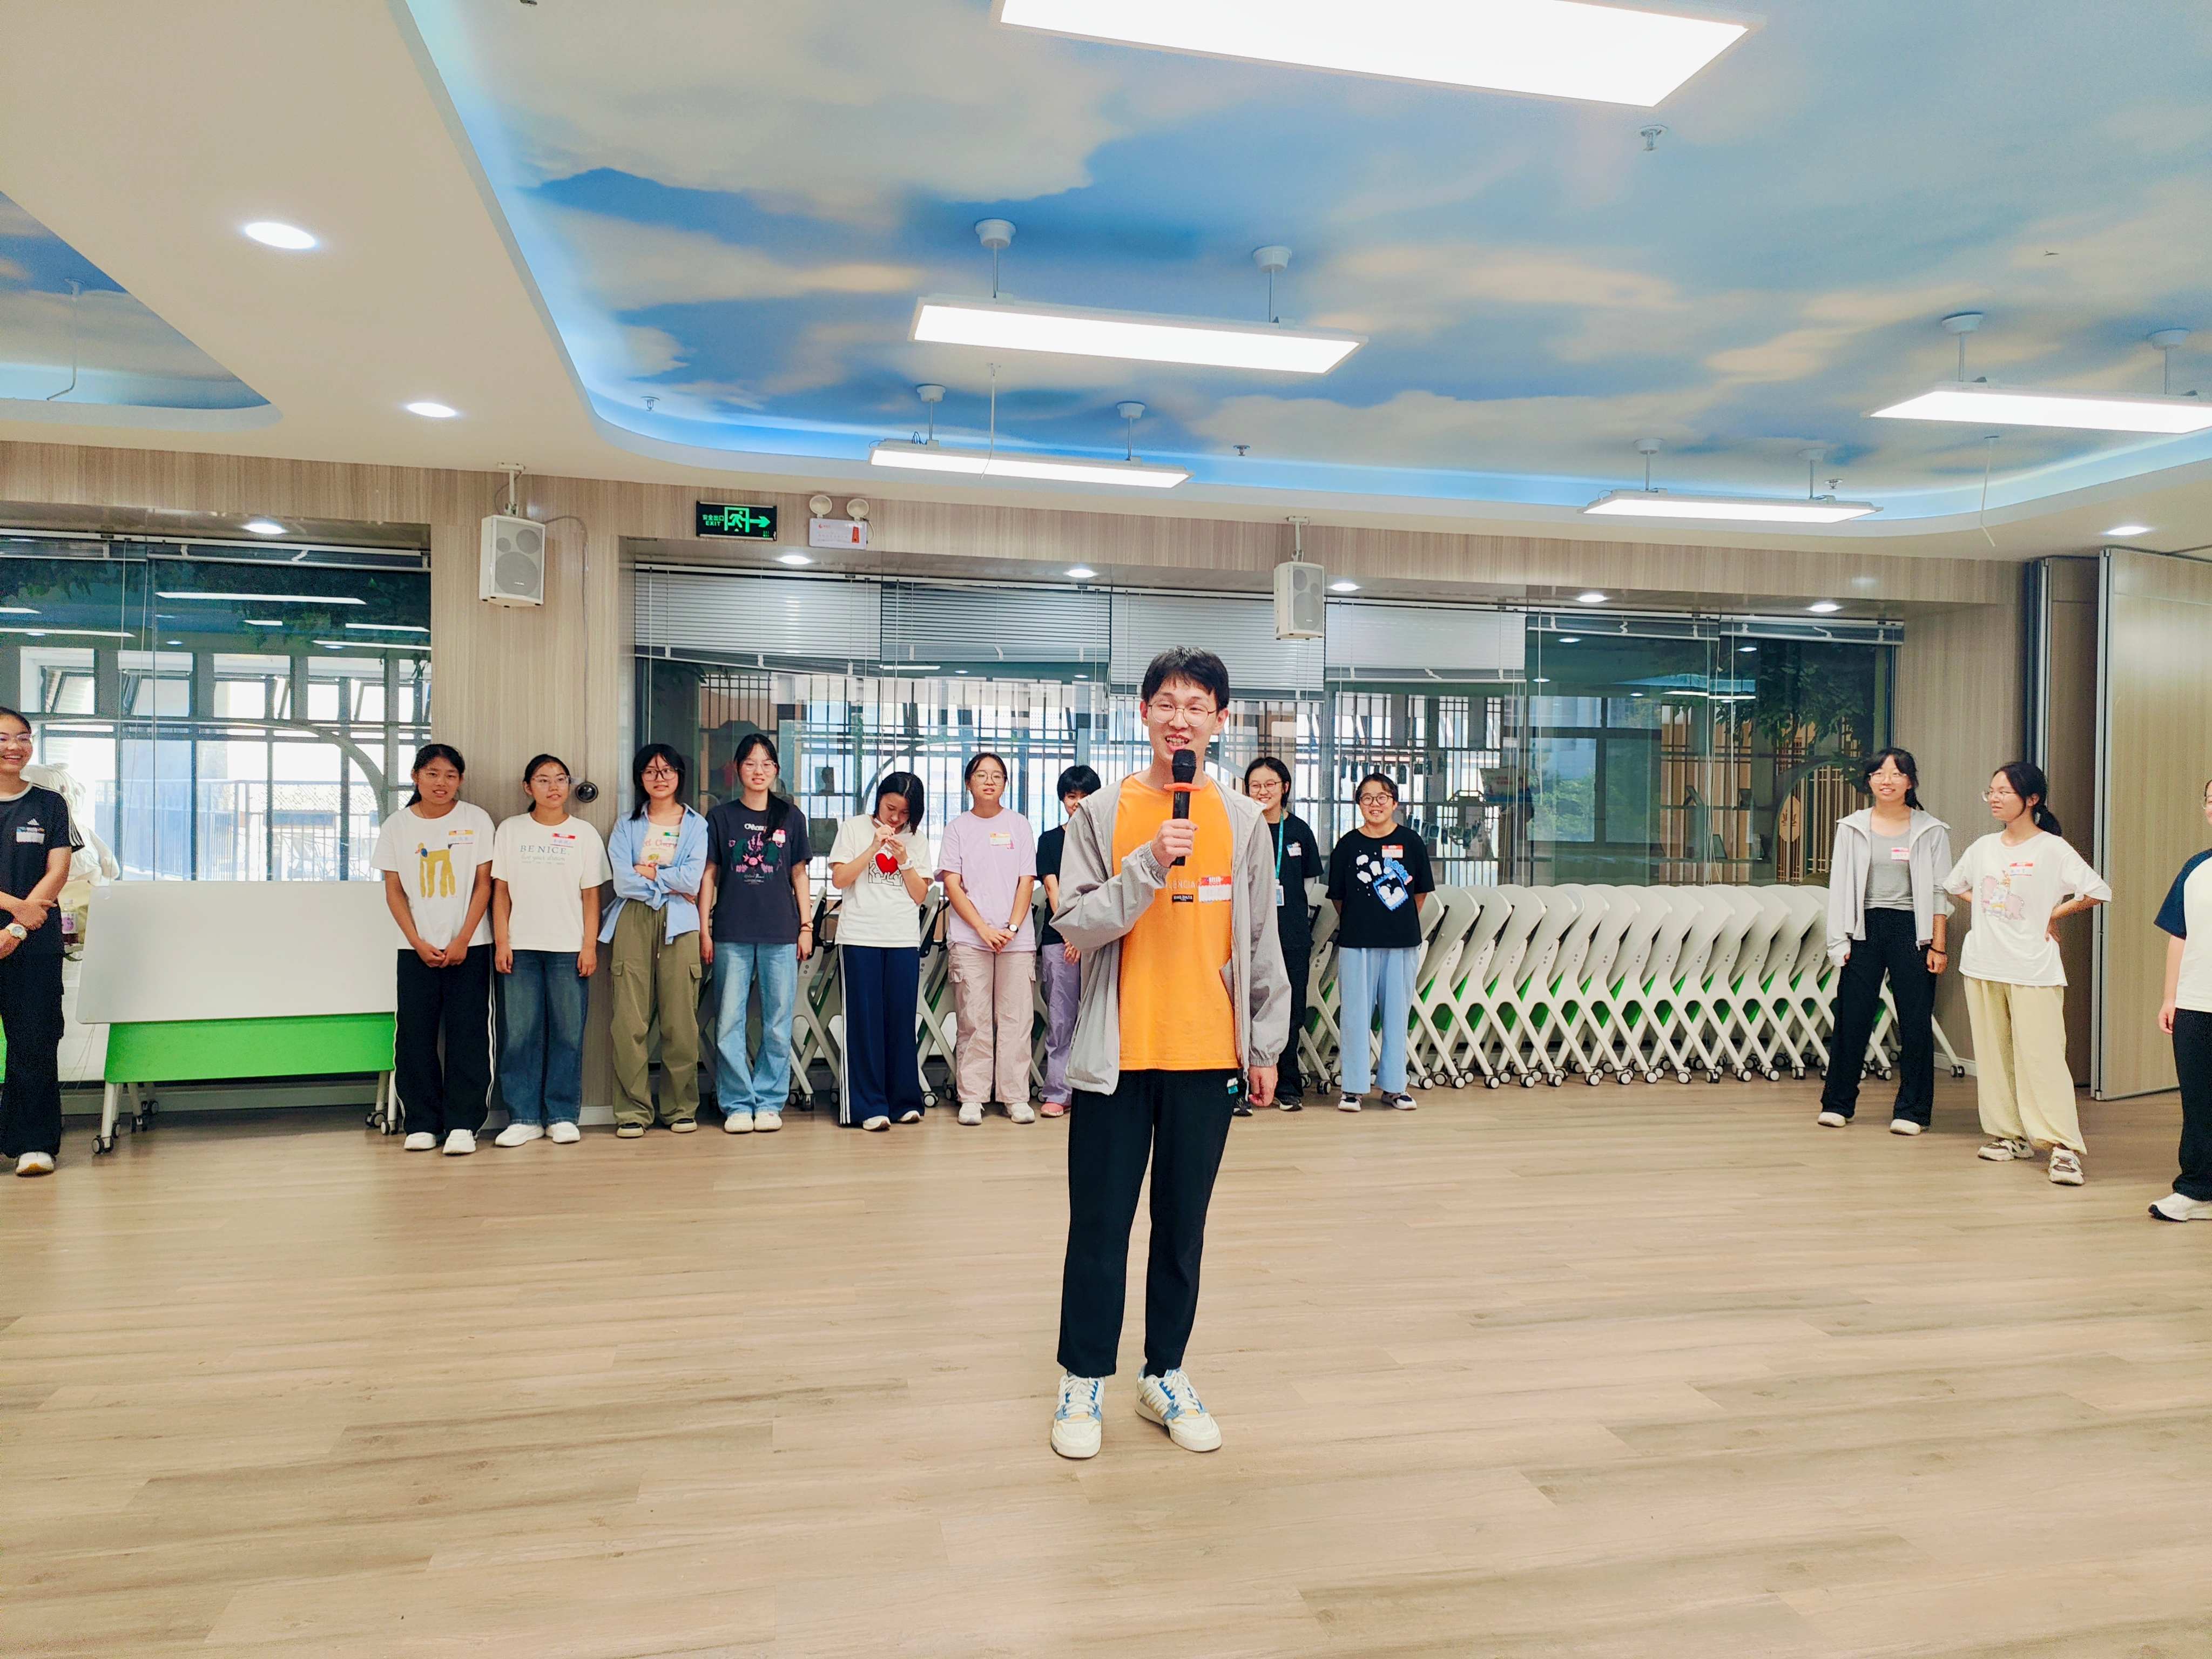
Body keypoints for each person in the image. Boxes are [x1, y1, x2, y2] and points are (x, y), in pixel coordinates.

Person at [1047, 648, 1290, 1461]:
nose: (1180, 719)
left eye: (1196, 706)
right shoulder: (1102, 812)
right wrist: (1149, 863)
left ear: (1219, 719)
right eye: (1166, 703)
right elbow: (1077, 924)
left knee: (1182, 1228)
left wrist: (1264, 1044)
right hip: (1117, 1052)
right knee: (1100, 1225)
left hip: (1206, 1053)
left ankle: (1164, 1373)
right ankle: (1084, 1377)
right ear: (1144, 712)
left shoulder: (1245, 821)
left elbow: (1260, 940)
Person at [1942, 760, 2109, 1185]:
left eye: (2005, 792)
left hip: (2033, 966)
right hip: (1983, 963)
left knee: (2042, 1058)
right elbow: (1954, 884)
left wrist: (2051, 913)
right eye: (1991, 791)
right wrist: (1988, 906)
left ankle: (2063, 1147)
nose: (1995, 799)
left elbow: (2096, 891)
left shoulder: (2052, 849)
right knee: (1994, 1056)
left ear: (2032, 799)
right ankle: (2010, 1135)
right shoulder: (1983, 847)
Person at [1817, 747, 1953, 1136]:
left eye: (1896, 773)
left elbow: (1940, 892)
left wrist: (1938, 946)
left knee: (1915, 1021)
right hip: (1863, 928)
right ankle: (1837, 1104)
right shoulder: (1852, 827)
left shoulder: (1930, 830)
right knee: (1852, 1017)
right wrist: (1838, 940)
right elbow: (1839, 886)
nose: (1887, 780)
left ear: (1910, 781)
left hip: (1913, 930)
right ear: (1870, 780)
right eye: (1879, 773)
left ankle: (1913, 1111)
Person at [373, 743, 497, 1155]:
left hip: (471, 946)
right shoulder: (397, 826)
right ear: (416, 776)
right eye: (432, 774)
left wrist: (463, 938)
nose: (441, 783)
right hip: (415, 949)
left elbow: (484, 884)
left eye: (450, 775)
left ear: (460, 780)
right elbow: (393, 890)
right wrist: (416, 941)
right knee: (415, 1035)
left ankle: (463, 1124)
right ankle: (422, 1123)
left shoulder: (476, 820)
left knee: (469, 1035)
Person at [490, 754, 611, 1148]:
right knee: (520, 1035)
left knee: (568, 1034)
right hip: (521, 948)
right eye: (543, 780)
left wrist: (589, 946)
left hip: (568, 949)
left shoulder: (584, 834)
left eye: (560, 779)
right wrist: (503, 941)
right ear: (528, 787)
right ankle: (523, 1117)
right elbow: (501, 892)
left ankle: (562, 1115)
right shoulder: (511, 830)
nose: (553, 787)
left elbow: (591, 897)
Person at [700, 734, 813, 1134]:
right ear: (737, 769)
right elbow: (709, 875)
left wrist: (806, 926)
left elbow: (800, 875)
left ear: (776, 770)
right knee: (728, 1021)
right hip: (731, 931)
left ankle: (768, 1101)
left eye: (766, 763)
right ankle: (736, 1103)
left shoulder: (791, 817)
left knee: (778, 1022)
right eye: (750, 763)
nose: (758, 771)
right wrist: (704, 929)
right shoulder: (721, 817)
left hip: (781, 932)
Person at [602, 743, 709, 1138]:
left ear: (679, 776)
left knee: (681, 1021)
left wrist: (650, 873)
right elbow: (623, 882)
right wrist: (668, 882)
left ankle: (680, 1108)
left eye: (667, 770)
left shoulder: (697, 825)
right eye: (650, 771)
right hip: (633, 919)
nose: (659, 778)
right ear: (640, 779)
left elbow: (692, 880)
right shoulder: (626, 825)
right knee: (629, 1021)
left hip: (682, 922)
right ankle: (632, 1111)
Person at [0, 707, 82, 1177]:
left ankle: (33, 1144)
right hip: (24, 920)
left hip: (34, 944)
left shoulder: (50, 803)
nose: (15, 747)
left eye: (24, 737)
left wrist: (17, 927)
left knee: (34, 1042)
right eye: (3, 738)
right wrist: (16, 908)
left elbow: (58, 869)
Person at [938, 751, 1037, 1126]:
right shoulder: (957, 828)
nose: (990, 781)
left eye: (997, 775)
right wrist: (983, 928)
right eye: (982, 775)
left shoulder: (1019, 825)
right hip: (970, 938)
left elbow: (1026, 880)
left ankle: (1016, 1096)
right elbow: (952, 884)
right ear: (969, 783)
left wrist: (1011, 928)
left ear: (1006, 784)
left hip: (1016, 940)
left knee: (1016, 1019)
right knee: (974, 1019)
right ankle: (973, 1097)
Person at [828, 771, 932, 1131]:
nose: (896, 818)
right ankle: (867, 1105)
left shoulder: (917, 839)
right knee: (865, 1022)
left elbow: (920, 895)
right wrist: (873, 848)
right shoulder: (854, 828)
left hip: (902, 937)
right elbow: (840, 880)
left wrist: (904, 859)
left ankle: (903, 1101)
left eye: (905, 813)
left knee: (902, 1021)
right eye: (891, 808)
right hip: (860, 936)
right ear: (879, 800)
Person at [1326, 772, 1434, 1112]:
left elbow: (1420, 894)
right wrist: (1365, 920)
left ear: (1395, 802)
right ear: (1359, 804)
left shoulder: (1411, 842)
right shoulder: (1347, 845)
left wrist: (1394, 921)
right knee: (1355, 1015)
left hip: (1402, 942)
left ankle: (1395, 1087)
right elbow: (1339, 898)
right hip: (1357, 941)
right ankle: (1353, 1089)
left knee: (1397, 1015)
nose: (1375, 804)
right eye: (1367, 798)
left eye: (1382, 797)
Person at [1243, 756, 1321, 1112]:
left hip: (1290, 932)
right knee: (1245, 1005)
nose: (1263, 791)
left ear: (1285, 787)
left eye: (1270, 784)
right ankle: (1240, 1085)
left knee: (1289, 1007)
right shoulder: (1242, 828)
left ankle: (1288, 1083)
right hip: (1247, 931)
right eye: (1255, 785)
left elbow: (1308, 883)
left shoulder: (1299, 831)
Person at [2150, 778, 2212, 1222]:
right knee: (2199, 1102)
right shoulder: (2196, 868)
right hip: (2196, 1002)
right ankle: (2196, 1190)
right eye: (2210, 800)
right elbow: (2179, 936)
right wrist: (2171, 997)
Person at [1035, 764, 1102, 1118]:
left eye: (1085, 796)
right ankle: (1058, 1091)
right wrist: (1072, 933)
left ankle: (1095, 1091)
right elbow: (1053, 890)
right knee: (1061, 1019)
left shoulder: (1105, 840)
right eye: (1071, 796)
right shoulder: (1049, 840)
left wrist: (1085, 935)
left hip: (1098, 939)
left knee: (1099, 1018)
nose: (1077, 803)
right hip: (1059, 940)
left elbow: (1107, 893)